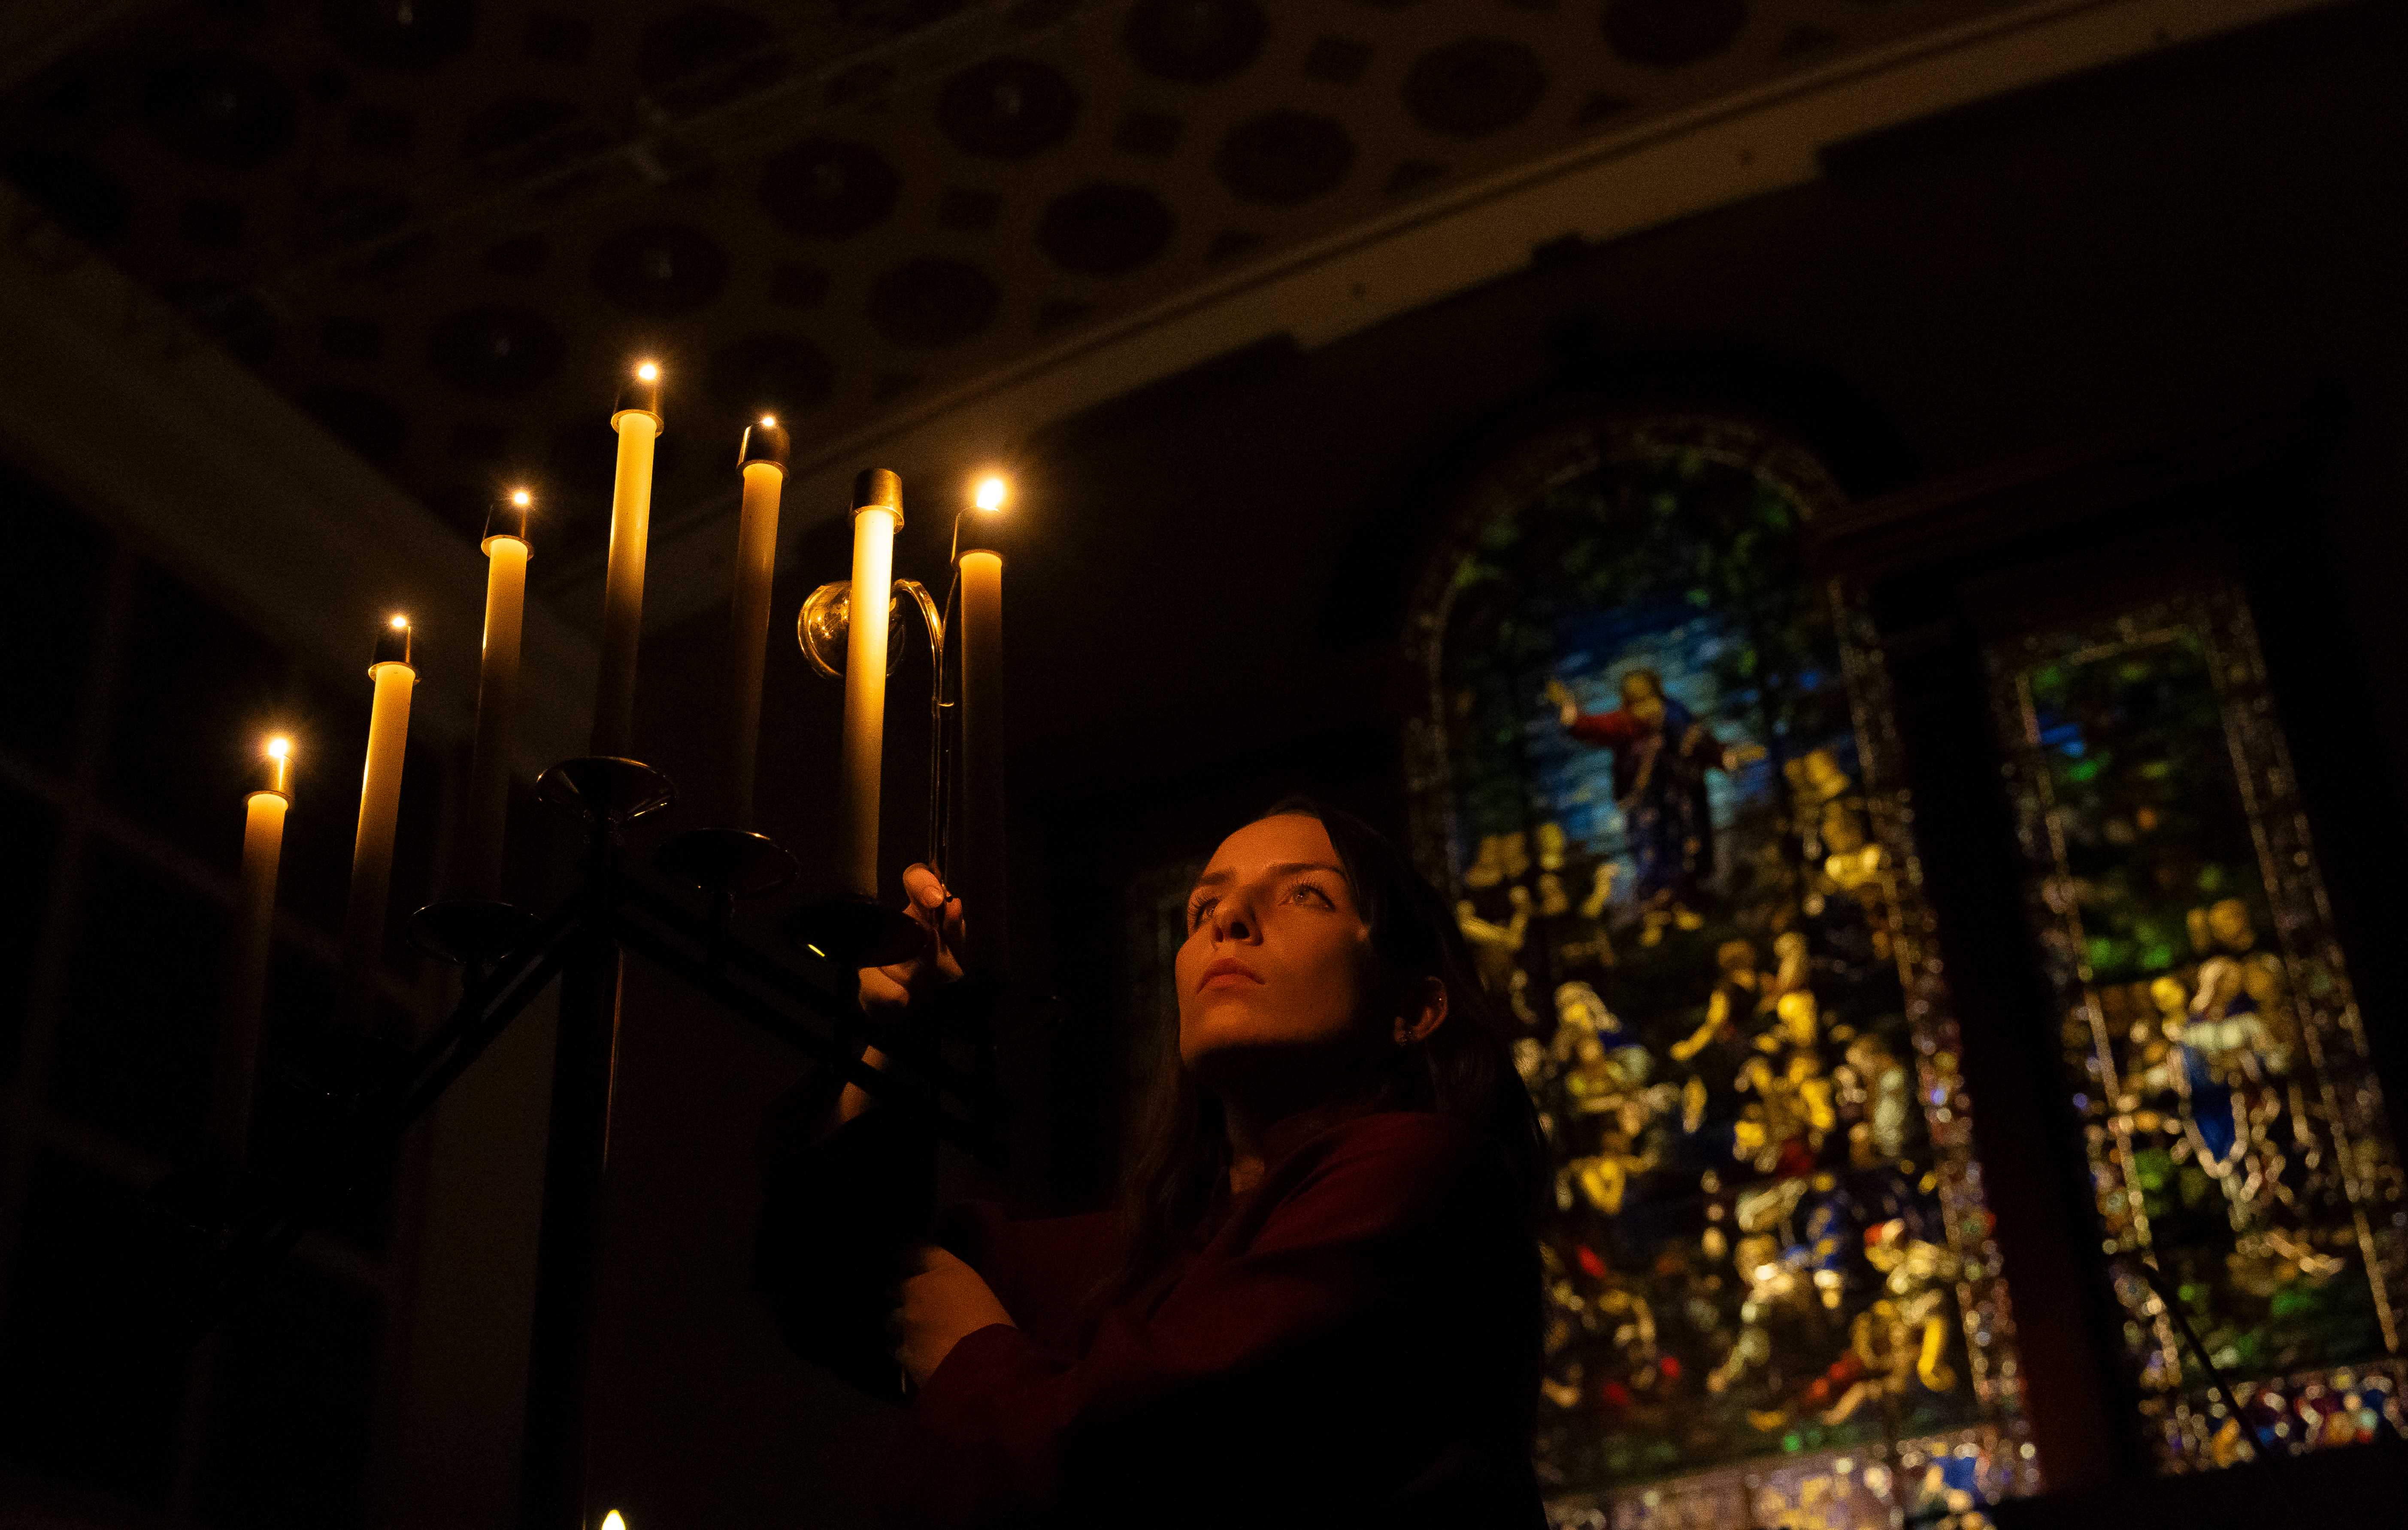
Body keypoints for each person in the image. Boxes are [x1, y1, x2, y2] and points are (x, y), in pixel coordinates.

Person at [757, 800, 1550, 1528]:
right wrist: (894, 1037)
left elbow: (1148, 1452)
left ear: (1414, 1009)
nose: (1228, 919)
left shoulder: (1427, 1176)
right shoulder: (1134, 1258)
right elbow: (829, 1279)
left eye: (1306, 894)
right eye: (1203, 907)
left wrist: (963, 1344)